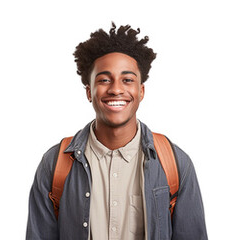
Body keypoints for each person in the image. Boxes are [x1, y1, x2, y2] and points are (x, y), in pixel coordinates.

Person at [26, 23, 207, 240]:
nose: (116, 89)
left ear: (141, 91)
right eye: (104, 80)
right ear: (89, 91)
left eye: (127, 80)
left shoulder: (175, 163)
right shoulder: (55, 165)